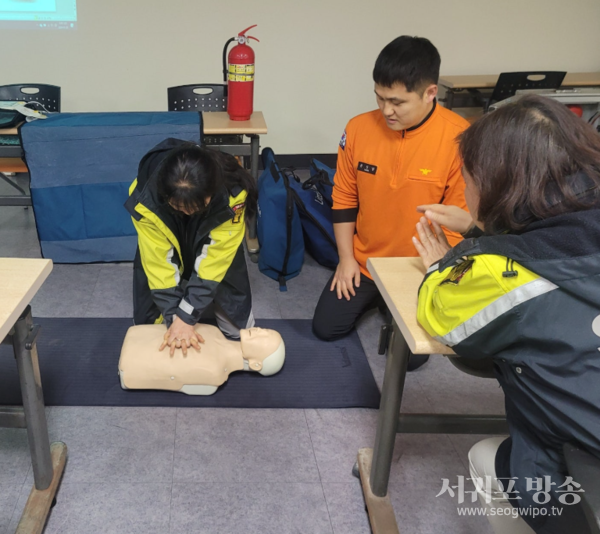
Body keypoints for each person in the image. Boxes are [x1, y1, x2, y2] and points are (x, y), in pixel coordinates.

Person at [414, 95, 600, 534]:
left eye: (468, 179)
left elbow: (440, 312)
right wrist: (479, 228)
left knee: (492, 458)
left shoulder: (503, 274)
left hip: (580, 467)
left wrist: (447, 263)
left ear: (498, 183)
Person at [311, 35, 469, 370]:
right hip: (365, 262)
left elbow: (459, 221)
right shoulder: (357, 128)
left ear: (430, 93)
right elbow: (344, 198)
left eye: (397, 102)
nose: (386, 110)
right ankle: (378, 297)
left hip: (419, 265)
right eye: (380, 98)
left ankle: (392, 302)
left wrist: (434, 278)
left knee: (411, 359)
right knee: (325, 329)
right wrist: (346, 259)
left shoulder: (459, 138)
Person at [125, 138, 257, 356]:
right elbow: (158, 263)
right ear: (165, 195)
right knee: (147, 332)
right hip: (167, 237)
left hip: (214, 246)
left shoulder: (233, 195)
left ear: (212, 192)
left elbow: (214, 262)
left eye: (195, 207)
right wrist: (174, 320)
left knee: (238, 334)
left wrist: (186, 316)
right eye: (180, 207)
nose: (187, 213)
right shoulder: (144, 198)